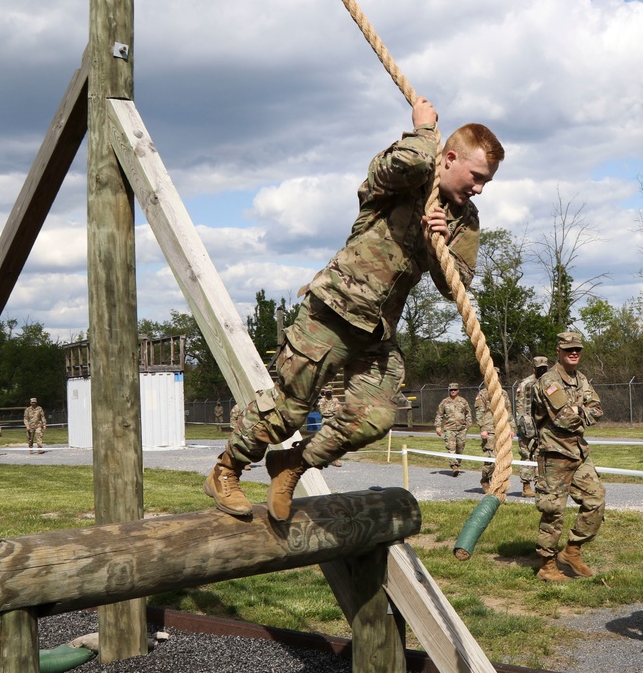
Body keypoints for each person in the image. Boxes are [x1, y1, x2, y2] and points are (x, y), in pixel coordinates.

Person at [203, 99, 504, 521]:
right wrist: (423, 131)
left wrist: (440, 249)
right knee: (290, 409)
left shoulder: (464, 220)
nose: (478, 188)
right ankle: (227, 470)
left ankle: (291, 466)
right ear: (449, 158)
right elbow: (392, 168)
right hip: (334, 310)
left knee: (375, 416)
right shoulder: (407, 178)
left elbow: (456, 285)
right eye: (476, 177)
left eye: (486, 181)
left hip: (377, 332)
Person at [531, 331, 604, 582]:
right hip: (555, 453)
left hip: (579, 452)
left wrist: (577, 409)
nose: (574, 353)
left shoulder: (580, 378)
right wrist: (579, 411)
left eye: (578, 349)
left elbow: (598, 410)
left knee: (595, 501)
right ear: (559, 352)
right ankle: (547, 565)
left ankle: (572, 551)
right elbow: (565, 419)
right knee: (553, 511)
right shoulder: (549, 381)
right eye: (569, 349)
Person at [474, 368, 514, 493]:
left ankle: (497, 485)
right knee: (490, 461)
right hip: (489, 431)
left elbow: (509, 411)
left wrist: (511, 427)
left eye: (497, 375)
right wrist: (483, 429)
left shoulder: (503, 393)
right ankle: (485, 480)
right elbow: (479, 413)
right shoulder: (483, 394)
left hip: (502, 431)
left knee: (501, 461)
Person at [514, 356, 548, 497]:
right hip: (528, 426)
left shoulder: (549, 382)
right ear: (534, 368)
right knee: (527, 455)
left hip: (544, 425)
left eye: (544, 368)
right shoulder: (526, 384)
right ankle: (526, 486)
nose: (542, 371)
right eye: (540, 368)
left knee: (543, 456)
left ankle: (541, 485)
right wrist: (524, 427)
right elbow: (520, 408)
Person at [435, 382, 472, 476]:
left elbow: (468, 414)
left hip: (461, 428)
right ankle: (454, 466)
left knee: (460, 447)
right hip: (449, 428)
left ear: (458, 390)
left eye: (455, 389)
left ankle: (458, 464)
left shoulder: (463, 401)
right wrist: (438, 427)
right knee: (451, 448)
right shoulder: (444, 402)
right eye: (451, 390)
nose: (453, 391)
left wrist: (468, 425)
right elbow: (439, 415)